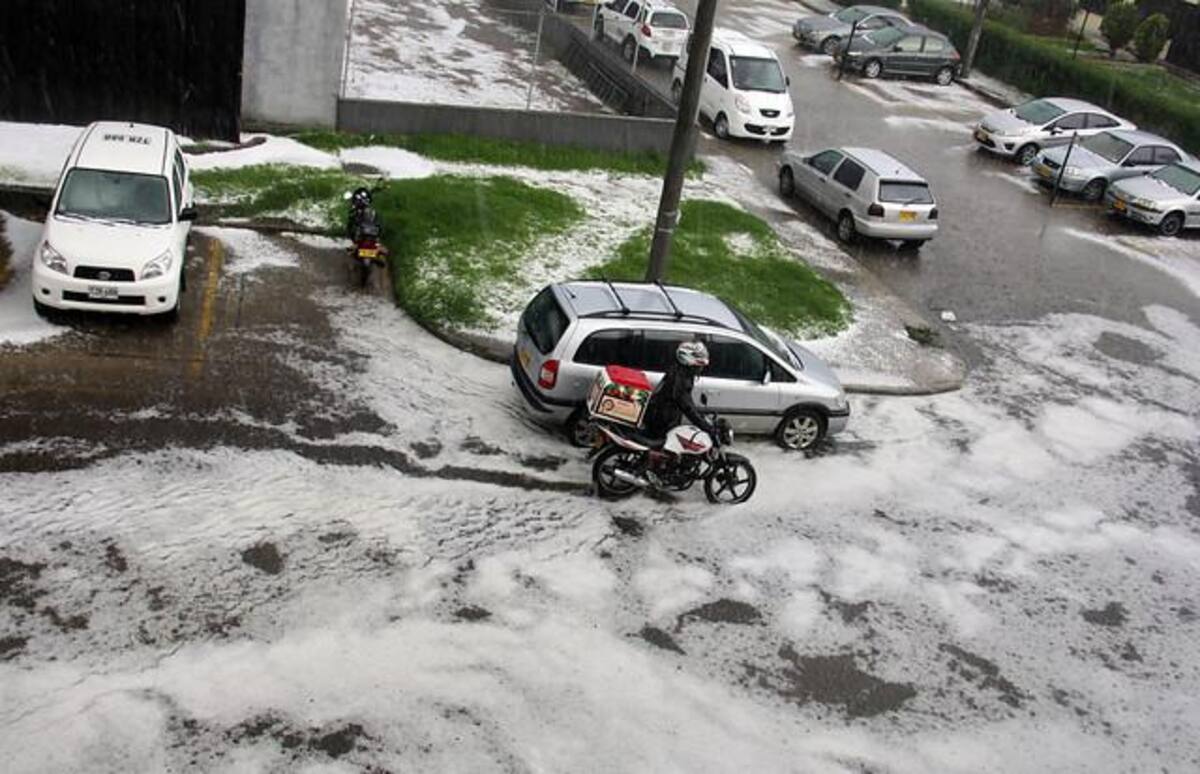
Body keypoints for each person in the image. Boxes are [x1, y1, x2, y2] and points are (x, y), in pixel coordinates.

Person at [641, 341, 716, 443]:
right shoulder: (680, 379)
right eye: (699, 365)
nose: (701, 368)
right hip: (662, 421)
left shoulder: (681, 372)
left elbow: (688, 402)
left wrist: (702, 417)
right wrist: (707, 427)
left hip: (663, 416)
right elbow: (686, 406)